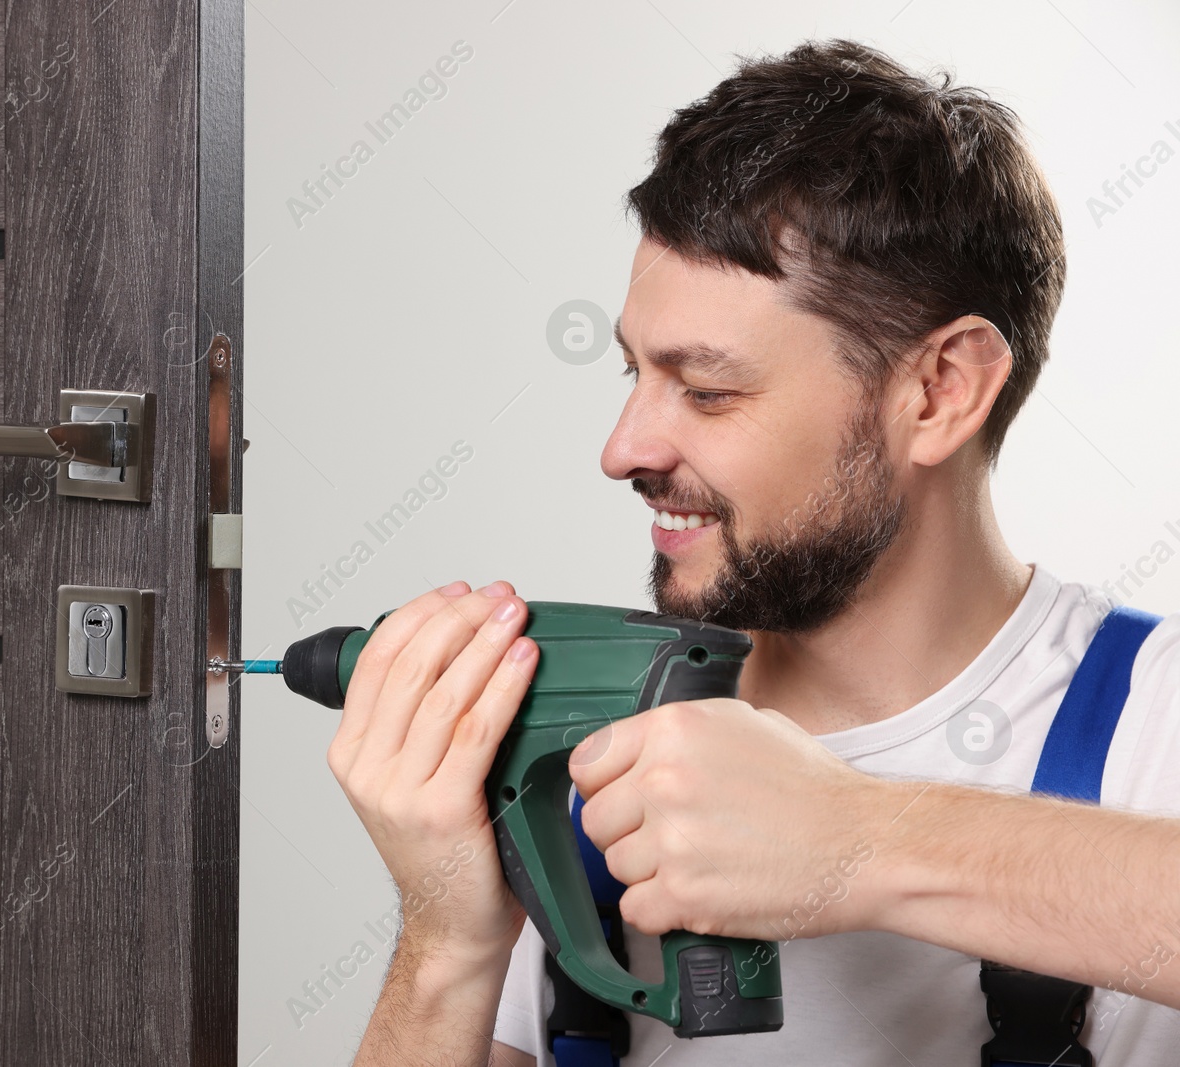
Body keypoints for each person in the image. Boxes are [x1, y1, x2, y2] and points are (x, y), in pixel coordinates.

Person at [325, 37, 1180, 1066]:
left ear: (940, 389)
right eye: (633, 372)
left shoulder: (1148, 720)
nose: (622, 448)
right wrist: (443, 943)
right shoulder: (593, 743)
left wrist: (858, 837)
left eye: (709, 389)